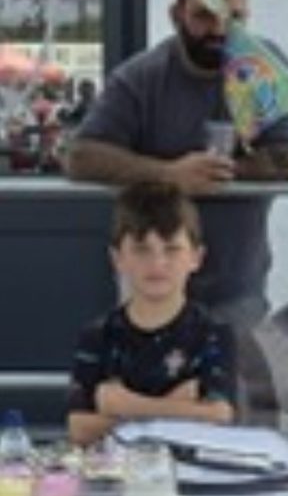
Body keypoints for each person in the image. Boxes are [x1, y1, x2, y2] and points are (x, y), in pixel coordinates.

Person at [65, 0, 288, 328]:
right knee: (145, 387)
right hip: (151, 285)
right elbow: (80, 157)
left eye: (234, 17)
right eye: (203, 16)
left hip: (237, 288)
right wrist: (169, 174)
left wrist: (223, 172)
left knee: (230, 387)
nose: (219, 30)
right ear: (175, 14)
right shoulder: (141, 77)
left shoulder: (263, 70)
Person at [67, 181, 237, 446]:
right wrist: (180, 408)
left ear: (196, 257)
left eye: (171, 249)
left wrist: (126, 405)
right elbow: (79, 428)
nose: (157, 263)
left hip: (190, 476)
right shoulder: (98, 334)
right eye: (141, 249)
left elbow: (219, 418)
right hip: (115, 475)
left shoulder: (215, 332)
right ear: (117, 259)